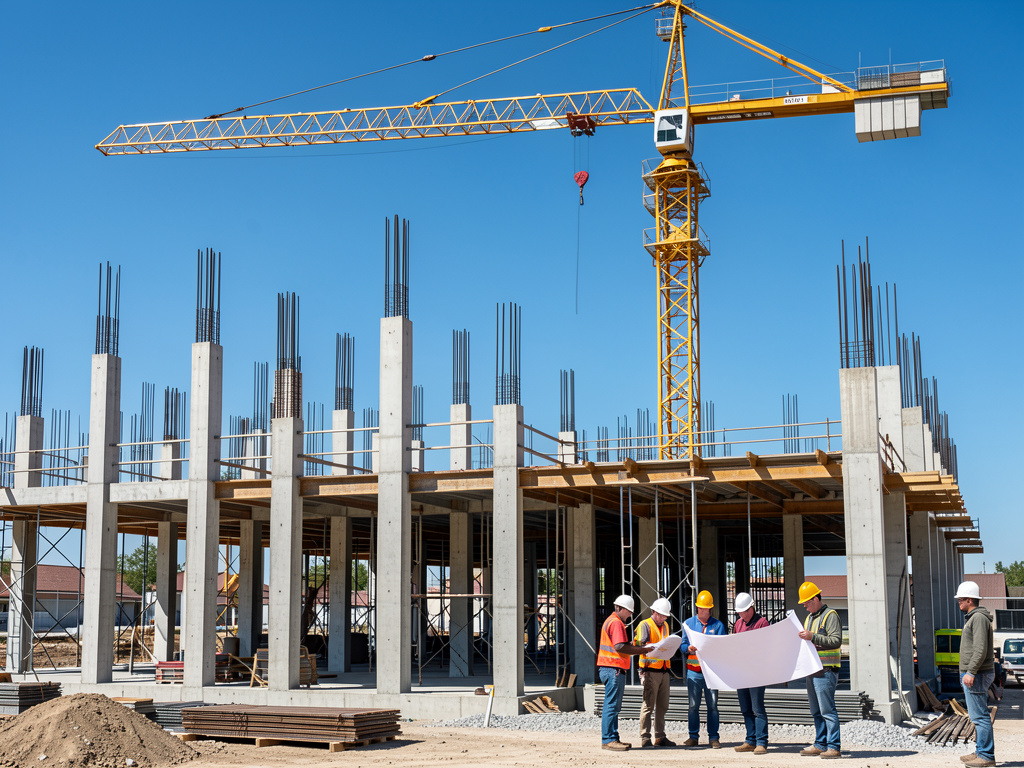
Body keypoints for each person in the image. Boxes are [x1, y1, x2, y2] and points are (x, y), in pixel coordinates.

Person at [598, 594, 654, 751]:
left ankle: (613, 738)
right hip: (613, 668)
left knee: (613, 705)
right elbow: (620, 647)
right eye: (628, 611)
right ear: (619, 608)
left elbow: (621, 644)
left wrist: (633, 645)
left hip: (610, 668)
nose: (630, 615)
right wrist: (643, 650)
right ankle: (609, 739)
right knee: (612, 705)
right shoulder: (616, 623)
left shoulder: (611, 621)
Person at [796, 580, 842, 759]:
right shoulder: (809, 618)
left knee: (827, 710)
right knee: (816, 711)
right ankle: (821, 743)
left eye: (807, 603)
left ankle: (834, 746)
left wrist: (812, 636)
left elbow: (836, 640)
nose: (806, 607)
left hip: (826, 671)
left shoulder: (830, 615)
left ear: (815, 599)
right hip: (812, 671)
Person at [956, 580, 996, 767]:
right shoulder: (975, 617)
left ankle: (986, 756)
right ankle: (981, 751)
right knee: (977, 716)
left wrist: (971, 672)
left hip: (977, 674)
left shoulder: (978, 618)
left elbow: (980, 649)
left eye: (961, 599)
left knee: (980, 717)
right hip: (976, 673)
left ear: (969, 600)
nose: (959, 603)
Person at [682, 590, 726, 748]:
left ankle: (714, 738)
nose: (701, 611)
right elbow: (682, 645)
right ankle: (693, 737)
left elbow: (722, 646)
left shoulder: (718, 625)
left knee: (713, 706)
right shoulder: (688, 624)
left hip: (711, 673)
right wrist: (689, 649)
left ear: (710, 609)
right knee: (693, 706)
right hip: (693, 673)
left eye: (704, 608)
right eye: (699, 608)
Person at [635, 597, 677, 748]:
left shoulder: (665, 625)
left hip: (664, 670)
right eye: (662, 615)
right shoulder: (644, 625)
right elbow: (639, 646)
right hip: (649, 671)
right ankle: (645, 737)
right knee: (648, 705)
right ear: (654, 612)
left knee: (662, 705)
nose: (664, 618)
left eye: (666, 615)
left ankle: (660, 736)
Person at [732, 592, 770, 755]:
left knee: (757, 708)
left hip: (757, 673)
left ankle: (761, 742)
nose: (741, 615)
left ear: (751, 608)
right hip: (742, 672)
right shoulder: (738, 624)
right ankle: (750, 740)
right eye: (739, 612)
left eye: (743, 612)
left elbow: (767, 647)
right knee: (745, 708)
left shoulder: (762, 623)